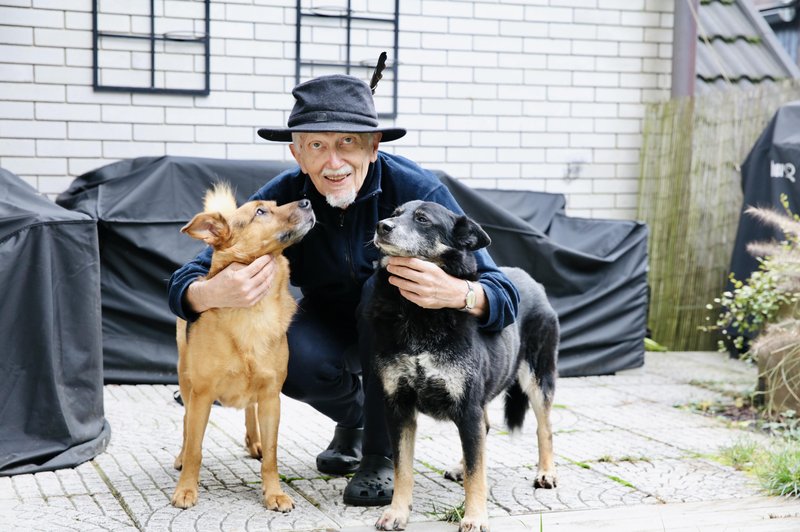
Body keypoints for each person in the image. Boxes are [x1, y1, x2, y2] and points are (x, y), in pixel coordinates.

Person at [167, 74, 520, 506]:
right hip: (330, 324)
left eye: (348, 142)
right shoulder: (283, 201)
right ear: (297, 153)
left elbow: (504, 292)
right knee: (291, 356)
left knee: (380, 285)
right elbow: (188, 277)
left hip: (403, 331)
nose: (333, 162)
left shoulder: (417, 190)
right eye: (316, 145)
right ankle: (360, 422)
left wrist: (459, 294)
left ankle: (378, 455)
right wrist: (210, 293)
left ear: (373, 146)